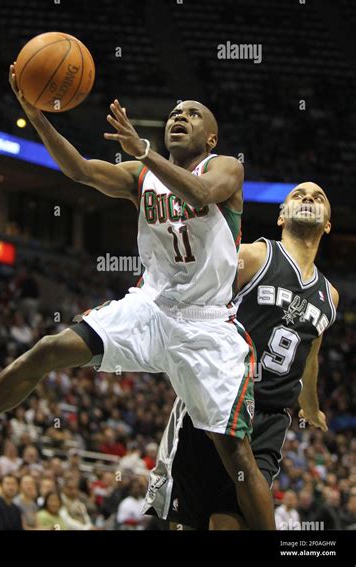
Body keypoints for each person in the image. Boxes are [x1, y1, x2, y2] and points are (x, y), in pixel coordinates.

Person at [0, 68, 275, 529]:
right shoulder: (140, 174)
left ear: (211, 137)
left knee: (235, 453)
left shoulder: (226, 168)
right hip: (151, 307)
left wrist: (145, 151)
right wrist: (38, 119)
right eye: (175, 112)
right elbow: (80, 170)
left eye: (193, 114)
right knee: (50, 349)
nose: (180, 116)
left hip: (208, 323)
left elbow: (200, 192)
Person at [144, 182, 338, 530]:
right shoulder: (254, 256)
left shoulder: (330, 296)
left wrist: (310, 405)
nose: (308, 198)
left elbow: (311, 354)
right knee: (189, 522)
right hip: (217, 401)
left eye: (318, 197)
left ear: (327, 224)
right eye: (298, 195)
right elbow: (195, 299)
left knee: (231, 521)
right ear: (281, 217)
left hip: (268, 418)